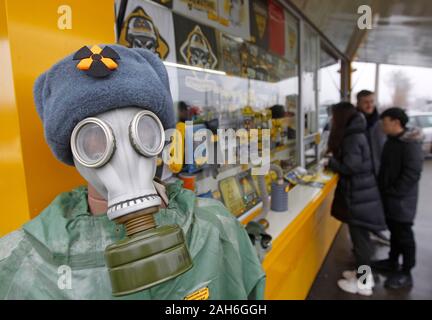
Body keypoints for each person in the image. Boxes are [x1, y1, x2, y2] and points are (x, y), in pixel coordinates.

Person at [0, 45, 265, 299]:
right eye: (94, 140)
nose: (125, 158)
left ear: (159, 137)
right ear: (75, 154)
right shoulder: (23, 260)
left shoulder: (216, 228)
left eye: (142, 132)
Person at [324, 102, 386, 296]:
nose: (332, 120)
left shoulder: (352, 137)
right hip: (362, 195)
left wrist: (331, 162)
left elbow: (351, 167)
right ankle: (361, 275)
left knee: (361, 244)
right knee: (361, 241)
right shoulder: (357, 132)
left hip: (359, 197)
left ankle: (364, 283)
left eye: (334, 116)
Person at [373, 107, 424, 290]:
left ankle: (406, 272)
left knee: (404, 235)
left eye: (384, 123)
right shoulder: (392, 141)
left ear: (396, 122)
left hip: (402, 201)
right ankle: (392, 261)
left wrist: (393, 191)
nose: (382, 126)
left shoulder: (410, 144)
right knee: (395, 233)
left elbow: (412, 174)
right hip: (390, 198)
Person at [356, 90, 390, 246]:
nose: (369, 105)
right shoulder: (355, 121)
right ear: (358, 103)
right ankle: (368, 238)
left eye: (371, 101)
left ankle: (374, 232)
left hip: (379, 170)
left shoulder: (381, 122)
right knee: (364, 211)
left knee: (377, 205)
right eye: (365, 102)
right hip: (362, 173)